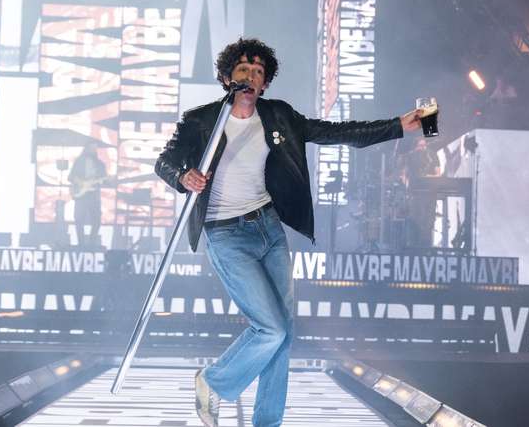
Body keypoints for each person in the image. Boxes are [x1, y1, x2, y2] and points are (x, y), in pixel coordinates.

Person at [154, 38, 434, 427]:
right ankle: (214, 381)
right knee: (270, 328)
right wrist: (183, 176)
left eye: (258, 72)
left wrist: (397, 127)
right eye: (243, 69)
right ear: (227, 77)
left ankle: (267, 422)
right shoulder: (200, 120)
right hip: (226, 234)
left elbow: (338, 132)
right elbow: (164, 161)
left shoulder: (278, 116)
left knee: (284, 334)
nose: (251, 76)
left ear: (265, 83)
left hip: (267, 227)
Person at [401, 136, 442, 250]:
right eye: (420, 146)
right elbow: (404, 174)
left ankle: (426, 247)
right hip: (415, 192)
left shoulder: (432, 155)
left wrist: (429, 177)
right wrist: (407, 186)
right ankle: (414, 246)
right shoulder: (410, 156)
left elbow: (438, 174)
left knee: (428, 220)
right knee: (415, 218)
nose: (422, 148)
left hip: (429, 192)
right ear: (415, 147)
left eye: (424, 145)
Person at [68, 141, 107, 247]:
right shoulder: (79, 162)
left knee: (96, 220)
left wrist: (102, 181)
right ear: (87, 148)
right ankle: (81, 243)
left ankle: (92, 243)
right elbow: (71, 176)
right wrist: (80, 182)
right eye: (91, 148)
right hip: (81, 196)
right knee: (79, 219)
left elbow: (104, 179)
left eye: (95, 148)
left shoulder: (100, 164)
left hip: (94, 195)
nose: (93, 150)